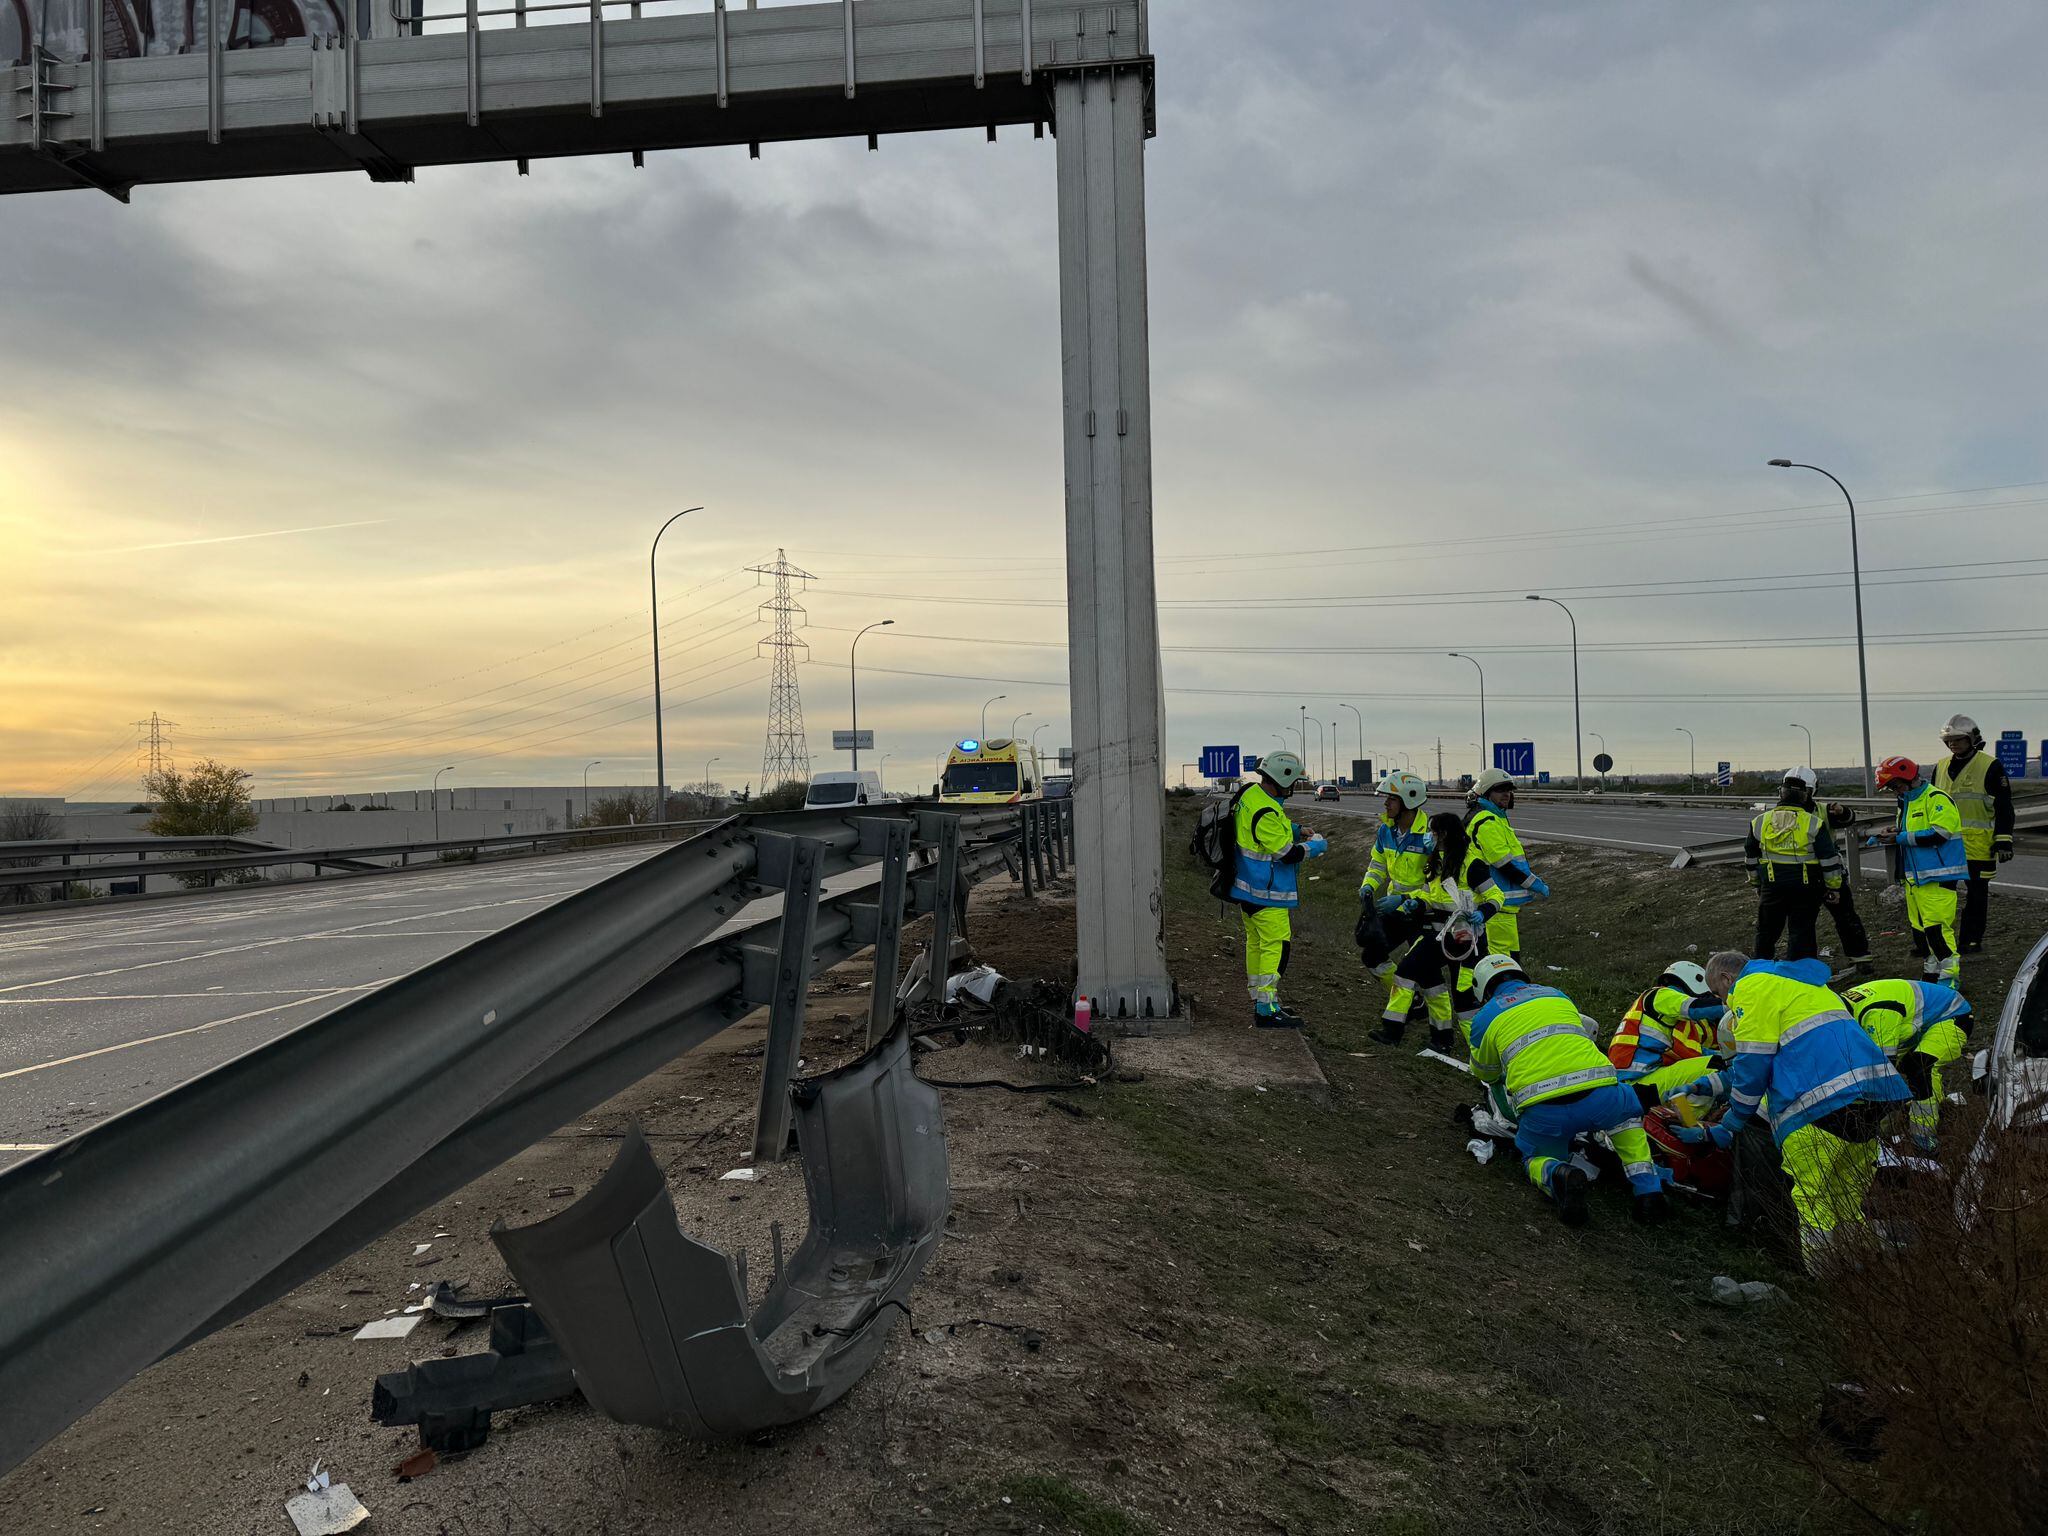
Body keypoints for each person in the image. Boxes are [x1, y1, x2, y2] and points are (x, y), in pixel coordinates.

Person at [1682, 951, 1910, 1270]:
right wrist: (1709, 1086)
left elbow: (1753, 1063)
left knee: (1813, 1198)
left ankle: (1824, 1278)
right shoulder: (1800, 986)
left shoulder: (1750, 988)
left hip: (1821, 1104)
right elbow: (1780, 1054)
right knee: (1845, 1195)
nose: (1725, 1003)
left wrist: (1730, 1124)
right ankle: (1865, 1276)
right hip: (1875, 1095)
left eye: (1721, 994)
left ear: (1726, 979)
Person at [1466, 954, 1668, 1226]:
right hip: (1600, 1094)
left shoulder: (1484, 1018)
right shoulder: (1556, 995)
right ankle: (1648, 1191)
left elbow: (1485, 1073)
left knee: (1535, 1156)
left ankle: (1557, 1173)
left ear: (1482, 989)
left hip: (1543, 1108)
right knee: (1626, 1119)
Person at [1372, 811, 1497, 1052]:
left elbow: (1495, 895)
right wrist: (1412, 901)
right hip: (1438, 935)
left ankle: (1481, 1052)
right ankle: (1396, 1032)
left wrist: (1483, 912)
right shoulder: (1438, 859)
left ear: (1445, 834)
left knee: (1465, 1001)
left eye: (1432, 831)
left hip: (1465, 940)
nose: (1429, 836)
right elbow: (1432, 895)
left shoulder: (1472, 863)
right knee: (1408, 972)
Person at [1231, 751, 1327, 1028]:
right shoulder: (1267, 811)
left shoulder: (1252, 795)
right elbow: (1286, 854)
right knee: (1276, 948)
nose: (1295, 786)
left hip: (1248, 889)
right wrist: (1316, 846)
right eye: (1294, 781)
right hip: (1267, 892)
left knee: (1257, 944)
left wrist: (1297, 829)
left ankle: (1260, 998)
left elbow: (1267, 832)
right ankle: (1266, 1008)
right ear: (1283, 779)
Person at [1841, 978, 1973, 1153]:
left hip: (1953, 1016)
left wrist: (1871, 1123)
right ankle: (1934, 1105)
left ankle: (1924, 1137)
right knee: (1902, 1069)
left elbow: (1884, 1073)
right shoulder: (1841, 1009)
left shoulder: (1878, 1014)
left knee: (1919, 1066)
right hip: (1914, 1024)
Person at [1876, 756, 1967, 986]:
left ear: (1908, 778)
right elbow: (1912, 831)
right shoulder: (1908, 801)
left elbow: (1940, 833)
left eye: (1895, 786)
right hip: (1915, 879)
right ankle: (1931, 973)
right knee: (1921, 932)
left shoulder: (1936, 798)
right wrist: (1894, 832)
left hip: (1938, 877)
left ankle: (1949, 979)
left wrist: (1900, 836)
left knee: (1937, 931)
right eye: (1891, 788)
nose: (1894, 791)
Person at [1932, 715, 2016, 954]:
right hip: (1946, 845)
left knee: (1977, 897)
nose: (1953, 744)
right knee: (1943, 897)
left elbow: (2003, 806)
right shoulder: (1940, 767)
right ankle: (1942, 942)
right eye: (1949, 740)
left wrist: (2004, 840)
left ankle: (1971, 940)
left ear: (1972, 739)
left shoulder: (1991, 766)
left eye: (1958, 739)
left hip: (1979, 846)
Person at [1743, 767, 1845, 963]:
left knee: (1766, 933)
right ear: (1807, 795)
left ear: (1780, 793)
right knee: (1802, 933)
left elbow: (1751, 857)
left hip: (1772, 887)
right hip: (1806, 889)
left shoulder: (1760, 821)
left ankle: (1758, 975)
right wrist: (1834, 888)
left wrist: (1756, 884)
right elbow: (1829, 859)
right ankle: (1800, 978)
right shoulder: (1813, 823)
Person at [1606, 960, 1727, 1098]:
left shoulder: (1673, 1020)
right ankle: (1688, 1118)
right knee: (1715, 1066)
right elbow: (1694, 1007)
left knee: (1719, 1062)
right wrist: (1734, 1003)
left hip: (1639, 1081)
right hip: (1637, 1082)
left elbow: (1696, 1052)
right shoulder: (1660, 995)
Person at [1357, 769, 1435, 985]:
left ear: (1408, 801)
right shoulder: (1386, 831)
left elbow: (1437, 884)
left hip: (1423, 912)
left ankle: (1433, 1012)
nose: (1386, 804)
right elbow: (1377, 864)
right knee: (1372, 957)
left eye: (1391, 799)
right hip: (1396, 912)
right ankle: (1412, 999)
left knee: (1424, 968)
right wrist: (1368, 886)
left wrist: (1406, 899)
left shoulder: (1430, 836)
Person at [1463, 769, 1548, 963]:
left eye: (1509, 790)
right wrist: (1534, 884)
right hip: (1495, 903)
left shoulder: (1495, 817)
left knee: (1511, 959)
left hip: (1503, 906)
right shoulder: (1487, 821)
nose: (1506, 794)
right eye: (1500, 790)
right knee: (1502, 963)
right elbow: (1504, 865)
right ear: (1486, 793)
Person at [1818, 800, 1875, 971]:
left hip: (1818, 872)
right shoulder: (1816, 810)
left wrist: (1842, 811)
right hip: (1818, 872)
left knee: (1845, 916)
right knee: (1844, 916)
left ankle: (1860, 957)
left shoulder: (1822, 810)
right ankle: (1860, 958)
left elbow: (1848, 819)